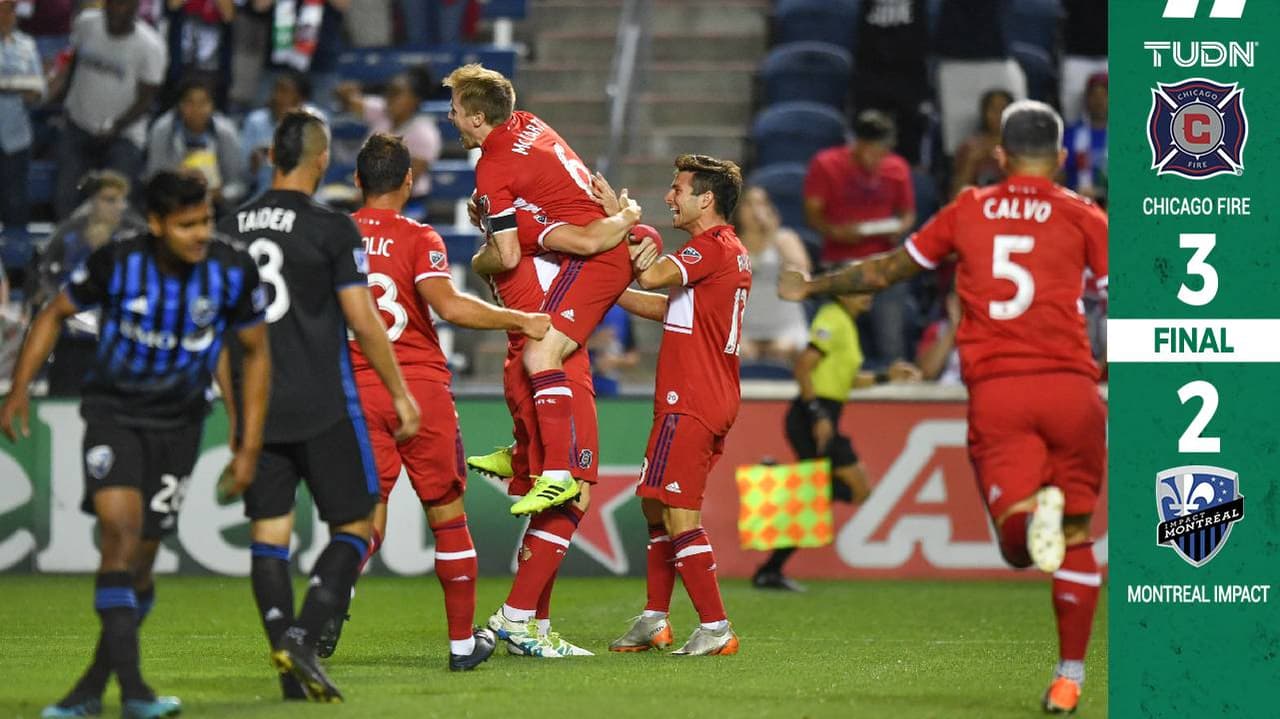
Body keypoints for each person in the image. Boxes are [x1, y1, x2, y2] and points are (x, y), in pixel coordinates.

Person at [780, 100, 1107, 714]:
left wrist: (815, 284)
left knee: (1019, 538)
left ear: (1001, 157)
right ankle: (1069, 680)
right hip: (1073, 389)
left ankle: (1025, 521)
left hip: (1001, 391)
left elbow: (885, 272)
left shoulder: (969, 210)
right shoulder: (1086, 214)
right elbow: (1119, 306)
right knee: (1077, 536)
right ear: (1062, 159)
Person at [1, 169, 269, 719]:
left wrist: (246, 442)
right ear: (155, 223)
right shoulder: (118, 261)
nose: (200, 234)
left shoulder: (231, 269)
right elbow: (54, 313)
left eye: (206, 222)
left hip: (181, 425)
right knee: (118, 537)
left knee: (141, 564)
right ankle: (136, 692)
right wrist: (19, 390)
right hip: (114, 414)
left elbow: (253, 352)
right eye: (186, 225)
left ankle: (90, 692)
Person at [324, 132, 550, 669]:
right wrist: (518, 318)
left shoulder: (335, 237)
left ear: (357, 181)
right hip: (419, 389)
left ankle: (329, 603)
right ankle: (461, 644)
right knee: (448, 520)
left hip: (357, 390)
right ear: (410, 180)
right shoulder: (419, 236)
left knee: (363, 523)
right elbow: (447, 305)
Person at [218, 110, 421, 702]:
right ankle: (304, 636)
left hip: (258, 408)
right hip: (325, 403)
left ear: (266, 156)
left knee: (269, 533)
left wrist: (237, 421)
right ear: (320, 159)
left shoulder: (227, 229)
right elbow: (362, 320)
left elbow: (220, 341)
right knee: (357, 525)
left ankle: (287, 658)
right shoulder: (331, 229)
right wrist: (401, 392)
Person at [445, 62, 638, 515]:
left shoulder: (496, 172)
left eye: (454, 109)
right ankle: (523, 456)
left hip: (598, 252)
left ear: (477, 118)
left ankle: (559, 472)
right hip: (592, 241)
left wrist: (627, 218)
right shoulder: (528, 123)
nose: (450, 117)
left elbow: (510, 254)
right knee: (522, 357)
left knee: (541, 353)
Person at [468, 183, 641, 659]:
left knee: (549, 502)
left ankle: (535, 629)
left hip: (524, 370)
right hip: (557, 369)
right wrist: (623, 213)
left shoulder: (502, 251)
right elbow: (607, 243)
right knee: (574, 493)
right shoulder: (531, 231)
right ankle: (518, 617)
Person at [609, 154, 750, 657]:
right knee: (655, 506)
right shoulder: (724, 252)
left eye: (678, 189)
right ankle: (654, 618)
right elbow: (668, 306)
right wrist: (613, 292)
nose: (670, 196)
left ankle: (715, 627)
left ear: (705, 198)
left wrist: (620, 228)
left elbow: (652, 277)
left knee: (678, 515)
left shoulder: (708, 247)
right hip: (702, 395)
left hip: (690, 398)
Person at [752, 292, 920, 591]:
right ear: (842, 292)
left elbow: (849, 379)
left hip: (824, 414)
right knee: (851, 491)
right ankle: (770, 567)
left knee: (831, 495)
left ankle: (772, 560)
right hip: (812, 414)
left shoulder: (846, 323)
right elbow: (803, 364)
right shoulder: (832, 316)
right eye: (859, 289)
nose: (868, 296)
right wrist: (817, 413)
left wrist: (886, 377)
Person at [804, 110, 916, 367]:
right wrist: (836, 231)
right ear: (858, 144)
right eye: (872, 151)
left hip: (883, 263)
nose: (877, 159)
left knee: (891, 340)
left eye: (882, 152)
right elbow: (813, 215)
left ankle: (893, 378)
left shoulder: (896, 167)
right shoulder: (826, 163)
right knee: (832, 338)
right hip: (841, 263)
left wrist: (900, 228)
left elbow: (908, 213)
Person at [28, 171, 147, 396]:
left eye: (122, 200)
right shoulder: (67, 238)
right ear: (92, 202)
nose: (118, 206)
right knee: (66, 398)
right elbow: (48, 280)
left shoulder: (135, 239)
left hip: (121, 340)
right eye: (109, 199)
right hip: (72, 339)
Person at [51, 0, 167, 219]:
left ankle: (113, 252)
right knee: (66, 198)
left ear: (135, 8)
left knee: (117, 205)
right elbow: (74, 64)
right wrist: (63, 100)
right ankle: (67, 251)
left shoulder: (151, 45)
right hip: (78, 125)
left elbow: (146, 98)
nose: (116, 9)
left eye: (123, 5)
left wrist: (116, 126)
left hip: (123, 136)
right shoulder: (86, 24)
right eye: (112, 4)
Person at [335, 67, 442, 202]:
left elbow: (407, 182)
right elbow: (347, 99)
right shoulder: (381, 111)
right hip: (370, 195)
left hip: (409, 202)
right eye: (388, 92)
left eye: (396, 93)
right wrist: (349, 91)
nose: (389, 99)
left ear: (415, 99)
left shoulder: (424, 132)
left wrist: (367, 198)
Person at [144, 77, 249, 212]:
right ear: (180, 105)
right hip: (172, 201)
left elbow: (238, 184)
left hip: (215, 204)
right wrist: (176, 178)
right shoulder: (163, 129)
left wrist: (219, 194)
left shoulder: (226, 132)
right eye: (190, 102)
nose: (196, 109)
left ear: (212, 106)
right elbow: (153, 178)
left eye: (203, 103)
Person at [733, 185, 810, 363]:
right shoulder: (729, 244)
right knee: (740, 353)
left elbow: (802, 276)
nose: (756, 210)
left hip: (784, 326)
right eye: (749, 204)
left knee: (781, 351)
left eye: (761, 204)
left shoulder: (785, 239)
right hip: (744, 327)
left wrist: (772, 235)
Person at [0, 0, 45, 239]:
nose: (6, 14)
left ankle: (18, 267)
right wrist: (15, 84)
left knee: (16, 204)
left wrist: (23, 89)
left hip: (16, 138)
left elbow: (39, 90)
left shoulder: (26, 45)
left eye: (9, 9)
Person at [242, 70, 324, 196]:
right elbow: (243, 174)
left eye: (284, 92)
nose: (276, 97)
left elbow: (318, 168)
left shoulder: (316, 120)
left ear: (300, 98)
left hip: (308, 195)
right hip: (265, 195)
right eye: (275, 90)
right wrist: (253, 163)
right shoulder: (255, 121)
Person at [950, 88, 1012, 198]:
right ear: (984, 112)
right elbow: (954, 197)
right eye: (993, 109)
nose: (998, 115)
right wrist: (971, 162)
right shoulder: (969, 148)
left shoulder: (1023, 148)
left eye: (1003, 109)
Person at [1064, 72, 1107, 208]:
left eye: (1104, 95)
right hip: (1076, 203)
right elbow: (1059, 174)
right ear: (1086, 99)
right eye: (1094, 95)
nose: (1099, 101)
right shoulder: (1070, 134)